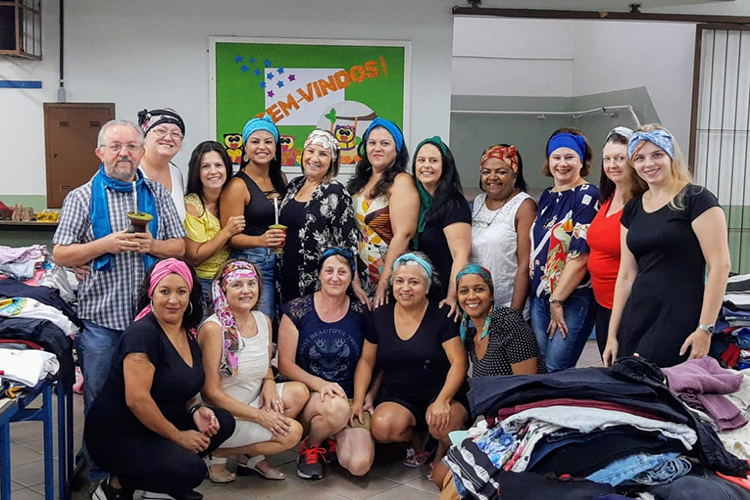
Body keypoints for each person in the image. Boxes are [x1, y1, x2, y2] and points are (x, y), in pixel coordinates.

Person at [53, 119, 187, 417]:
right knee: (101, 399)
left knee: (152, 397)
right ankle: (99, 450)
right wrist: (104, 244)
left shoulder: (157, 194)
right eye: (115, 146)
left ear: (141, 152)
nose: (123, 153)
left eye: (131, 146)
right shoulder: (81, 197)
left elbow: (179, 247)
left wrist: (153, 245)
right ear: (100, 153)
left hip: (152, 319)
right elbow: (61, 253)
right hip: (102, 321)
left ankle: (144, 448)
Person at [84, 258, 234, 500]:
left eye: (181, 291)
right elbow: (137, 400)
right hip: (119, 435)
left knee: (222, 422)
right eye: (165, 291)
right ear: (151, 293)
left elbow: (182, 385)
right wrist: (179, 437)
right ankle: (116, 484)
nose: (173, 300)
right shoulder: (142, 334)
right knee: (191, 470)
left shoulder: (187, 331)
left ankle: (153, 485)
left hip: (157, 422)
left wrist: (195, 408)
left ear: (190, 295)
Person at [603, 125, 731, 368]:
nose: (649, 164)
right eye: (640, 158)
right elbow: (626, 275)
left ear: (671, 155)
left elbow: (720, 266)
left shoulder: (696, 199)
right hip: (637, 315)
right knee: (630, 383)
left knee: (665, 383)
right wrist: (612, 334)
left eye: (657, 154)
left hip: (679, 315)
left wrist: (705, 328)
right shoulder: (633, 208)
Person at [352, 252, 468, 472]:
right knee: (382, 427)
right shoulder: (380, 315)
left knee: (440, 424)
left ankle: (443, 448)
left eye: (414, 282)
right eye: (399, 281)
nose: (405, 288)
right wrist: (358, 400)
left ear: (427, 287)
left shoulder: (442, 314)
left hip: (440, 393)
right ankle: (419, 439)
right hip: (400, 397)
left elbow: (459, 362)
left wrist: (443, 400)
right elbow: (367, 361)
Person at [198, 259, 309, 482]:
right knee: (293, 433)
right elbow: (210, 393)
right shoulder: (213, 328)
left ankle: (245, 453)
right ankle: (217, 451)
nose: (246, 290)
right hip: (223, 415)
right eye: (237, 285)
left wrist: (269, 382)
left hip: (252, 399)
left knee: (299, 392)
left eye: (251, 283)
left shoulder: (263, 320)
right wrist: (261, 417)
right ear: (223, 290)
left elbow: (264, 365)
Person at [278, 247, 375, 479]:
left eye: (342, 272)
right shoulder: (297, 310)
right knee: (335, 408)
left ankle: (331, 434)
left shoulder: (362, 312)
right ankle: (311, 446)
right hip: (310, 396)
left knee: (358, 465)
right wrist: (321, 385)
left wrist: (364, 398)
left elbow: (371, 360)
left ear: (351, 277)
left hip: (350, 397)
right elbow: (285, 364)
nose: (335, 277)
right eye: (329, 271)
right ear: (319, 274)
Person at [529, 128, 598, 373]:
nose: (562, 163)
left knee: (556, 369)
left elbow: (580, 256)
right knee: (539, 368)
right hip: (540, 297)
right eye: (556, 157)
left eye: (570, 157)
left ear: (582, 160)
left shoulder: (588, 196)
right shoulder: (547, 196)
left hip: (570, 298)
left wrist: (557, 300)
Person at [277, 129, 367, 305]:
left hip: (320, 283)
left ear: (332, 160)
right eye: (310, 151)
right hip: (286, 276)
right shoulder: (294, 185)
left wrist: (355, 281)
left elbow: (348, 242)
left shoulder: (336, 192)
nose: (314, 158)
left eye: (323, 154)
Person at [346, 118, 419, 308]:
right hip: (356, 279)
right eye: (372, 143)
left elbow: (403, 235)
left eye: (385, 143)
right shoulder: (358, 183)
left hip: (387, 278)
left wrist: (384, 283)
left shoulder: (401, 181)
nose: (377, 148)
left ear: (397, 150)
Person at [220, 114, 287, 319]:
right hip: (254, 264)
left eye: (268, 142)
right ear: (245, 148)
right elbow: (229, 237)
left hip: (283, 262)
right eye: (255, 141)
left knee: (279, 323)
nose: (262, 147)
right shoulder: (237, 186)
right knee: (260, 323)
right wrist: (261, 240)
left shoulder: (280, 179)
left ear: (276, 148)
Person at [587, 127, 647, 355]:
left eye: (620, 158)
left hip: (628, 307)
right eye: (607, 159)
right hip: (602, 304)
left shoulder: (641, 204)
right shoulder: (607, 197)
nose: (612, 165)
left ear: (633, 160)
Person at [470, 144, 536, 318]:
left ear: (514, 174)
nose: (492, 177)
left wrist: (513, 315)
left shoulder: (524, 206)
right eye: (486, 172)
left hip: (507, 306)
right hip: (476, 305)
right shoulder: (478, 202)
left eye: (500, 172)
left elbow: (525, 265)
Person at [412, 136, 471, 318]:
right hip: (416, 294)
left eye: (433, 161)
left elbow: (461, 255)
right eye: (421, 160)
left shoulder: (453, 203)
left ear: (445, 166)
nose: (426, 166)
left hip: (443, 297)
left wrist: (452, 297)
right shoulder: (414, 200)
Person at [183, 141, 245, 312]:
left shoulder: (235, 197)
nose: (213, 172)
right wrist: (227, 232)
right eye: (205, 167)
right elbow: (194, 257)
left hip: (232, 281)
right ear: (197, 172)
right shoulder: (192, 205)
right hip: (203, 284)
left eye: (218, 165)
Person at [456, 264, 546, 377]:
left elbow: (527, 382)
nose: (471, 296)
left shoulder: (509, 323)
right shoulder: (470, 335)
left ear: (491, 295)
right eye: (464, 291)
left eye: (479, 289)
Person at [137, 108, 188, 221]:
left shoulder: (176, 173)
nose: (168, 138)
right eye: (161, 131)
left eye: (175, 134)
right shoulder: (130, 171)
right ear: (144, 136)